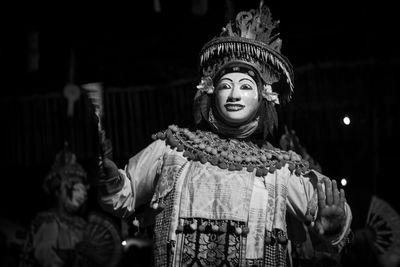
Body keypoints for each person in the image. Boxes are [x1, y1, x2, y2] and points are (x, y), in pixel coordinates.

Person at [96, 3, 352, 266]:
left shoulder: (280, 169)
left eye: (245, 86)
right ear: (210, 92)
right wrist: (112, 179)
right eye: (225, 86)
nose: (234, 95)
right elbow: (123, 195)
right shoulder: (172, 149)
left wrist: (332, 223)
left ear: (263, 98)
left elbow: (326, 222)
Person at [19, 144, 89, 267]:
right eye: (74, 187)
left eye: (83, 190)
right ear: (57, 192)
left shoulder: (82, 225)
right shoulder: (46, 221)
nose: (82, 194)